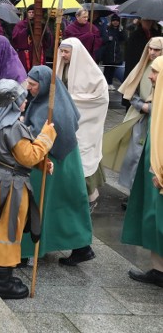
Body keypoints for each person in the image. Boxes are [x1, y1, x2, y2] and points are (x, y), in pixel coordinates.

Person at [0, 79, 55, 299]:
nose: (25, 99)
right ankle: (2, 281)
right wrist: (46, 136)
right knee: (6, 229)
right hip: (10, 185)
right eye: (21, 97)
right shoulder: (13, 126)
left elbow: (13, 154)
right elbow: (28, 155)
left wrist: (41, 164)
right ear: (12, 101)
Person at [21, 65, 94, 266]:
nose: (29, 88)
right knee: (65, 206)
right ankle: (81, 246)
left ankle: (26, 251)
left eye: (34, 85)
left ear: (44, 85)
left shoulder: (51, 107)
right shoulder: (53, 100)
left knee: (37, 203)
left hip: (51, 161)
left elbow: (44, 134)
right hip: (67, 160)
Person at [121, 55, 163, 287]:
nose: (150, 76)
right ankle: (159, 269)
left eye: (155, 72)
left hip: (160, 171)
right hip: (153, 167)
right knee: (152, 217)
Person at [56, 38, 108, 211]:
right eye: (61, 51)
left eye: (66, 52)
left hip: (85, 123)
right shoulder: (62, 67)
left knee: (84, 157)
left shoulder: (93, 72)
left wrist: (72, 100)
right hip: (66, 120)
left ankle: (92, 196)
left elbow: (101, 98)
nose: (63, 55)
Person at [116, 37, 163, 190]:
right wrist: (140, 104)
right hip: (140, 117)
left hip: (158, 119)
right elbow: (131, 90)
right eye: (150, 49)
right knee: (134, 155)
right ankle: (132, 191)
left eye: (156, 50)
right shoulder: (143, 67)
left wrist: (152, 108)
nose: (152, 52)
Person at [11, 7, 53, 71]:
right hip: (25, 54)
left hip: (38, 53)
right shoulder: (21, 24)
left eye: (33, 12)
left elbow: (49, 40)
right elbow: (16, 38)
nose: (31, 14)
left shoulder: (42, 25)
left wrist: (44, 31)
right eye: (29, 12)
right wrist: (27, 29)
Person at [100, 15, 125, 86]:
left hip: (116, 53)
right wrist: (108, 38)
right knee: (107, 68)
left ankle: (110, 83)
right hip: (108, 52)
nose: (115, 22)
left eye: (117, 21)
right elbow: (103, 39)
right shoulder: (107, 29)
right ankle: (105, 83)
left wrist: (121, 31)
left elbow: (124, 39)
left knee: (113, 68)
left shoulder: (120, 30)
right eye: (114, 20)